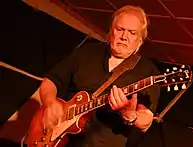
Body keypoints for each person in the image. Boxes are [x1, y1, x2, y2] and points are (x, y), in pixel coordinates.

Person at [39, 5, 160, 147]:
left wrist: (131, 116)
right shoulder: (86, 52)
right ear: (111, 31)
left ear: (140, 40)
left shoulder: (148, 72)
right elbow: (51, 80)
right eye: (120, 29)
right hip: (61, 141)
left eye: (132, 33)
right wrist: (48, 104)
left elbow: (146, 119)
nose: (124, 36)